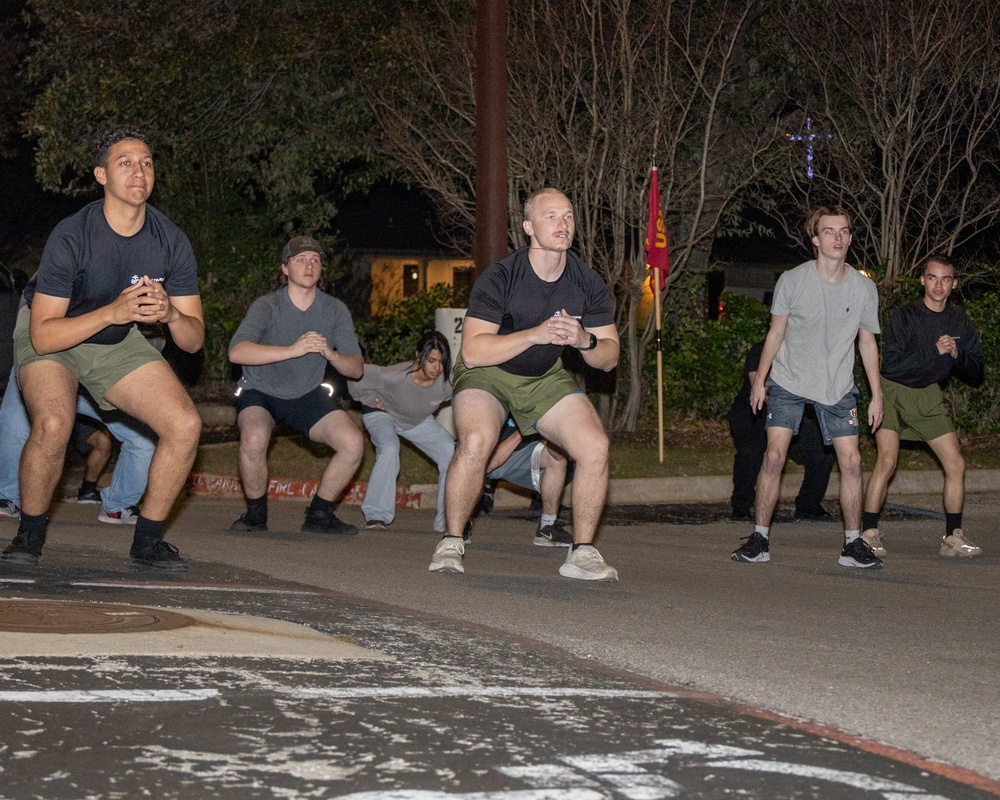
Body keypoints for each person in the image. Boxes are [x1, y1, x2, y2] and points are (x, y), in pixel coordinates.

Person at [1, 127, 204, 571]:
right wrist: (113, 313)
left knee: (185, 424)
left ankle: (147, 542)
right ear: (101, 175)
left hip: (114, 341)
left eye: (147, 162)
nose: (139, 171)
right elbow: (43, 337)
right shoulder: (73, 235)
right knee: (55, 422)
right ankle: (29, 535)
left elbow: (194, 340)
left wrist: (171, 315)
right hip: (56, 334)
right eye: (125, 162)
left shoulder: (171, 240)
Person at [428, 187, 621, 581]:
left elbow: (610, 356)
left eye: (568, 216)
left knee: (596, 446)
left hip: (542, 376)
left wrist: (584, 340)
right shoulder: (501, 276)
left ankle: (582, 552)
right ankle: (451, 541)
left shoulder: (586, 281)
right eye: (551, 216)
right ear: (529, 227)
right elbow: (475, 353)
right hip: (489, 371)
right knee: (478, 440)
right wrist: (535, 334)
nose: (562, 223)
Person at [730, 205, 884, 568]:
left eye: (844, 231)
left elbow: (867, 344)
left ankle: (851, 544)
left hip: (837, 385)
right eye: (830, 231)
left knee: (852, 461)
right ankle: (759, 539)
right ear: (816, 239)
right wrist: (761, 379)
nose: (838, 238)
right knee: (773, 456)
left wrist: (877, 394)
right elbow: (776, 332)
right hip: (789, 379)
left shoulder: (864, 287)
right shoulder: (793, 280)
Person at [228, 235, 364, 536]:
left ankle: (319, 514)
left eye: (315, 260)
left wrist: (330, 353)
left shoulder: (334, 310)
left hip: (306, 392)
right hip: (260, 389)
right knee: (253, 437)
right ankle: (255, 514)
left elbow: (355, 368)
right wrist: (292, 350)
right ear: (285, 268)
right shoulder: (267, 306)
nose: (309, 265)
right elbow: (236, 351)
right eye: (301, 259)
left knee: (352, 444)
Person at [861, 256, 985, 558]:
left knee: (956, 464)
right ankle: (868, 534)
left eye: (945, 279)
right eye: (932, 278)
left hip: (928, 394)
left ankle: (953, 537)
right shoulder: (904, 315)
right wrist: (934, 351)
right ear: (922, 280)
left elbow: (977, 370)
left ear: (954, 284)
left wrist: (957, 355)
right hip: (892, 391)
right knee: (887, 461)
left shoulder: (959, 321)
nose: (938, 285)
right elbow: (891, 365)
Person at [0, 365, 156, 524]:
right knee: (15, 425)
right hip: (44, 365)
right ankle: (7, 496)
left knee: (143, 437)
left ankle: (119, 505)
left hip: (99, 370)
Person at [348, 330, 454, 532]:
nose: (437, 368)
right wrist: (369, 400)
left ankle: (447, 520)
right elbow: (355, 376)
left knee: (450, 451)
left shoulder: (447, 381)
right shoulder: (394, 376)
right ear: (418, 355)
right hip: (382, 414)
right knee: (389, 448)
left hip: (416, 421)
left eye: (441, 362)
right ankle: (376, 514)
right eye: (431, 361)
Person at [729, 340, 836, 522]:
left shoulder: (803, 352)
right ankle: (741, 506)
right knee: (750, 453)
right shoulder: (761, 350)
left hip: (790, 413)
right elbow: (760, 385)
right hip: (755, 413)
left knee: (823, 450)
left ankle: (808, 505)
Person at [482, 414, 574, 546]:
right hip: (489, 453)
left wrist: (550, 430)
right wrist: (523, 430)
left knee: (558, 460)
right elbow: (490, 465)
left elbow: (558, 456)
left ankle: (547, 528)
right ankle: (461, 527)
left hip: (521, 451)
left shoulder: (541, 403)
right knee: (469, 462)